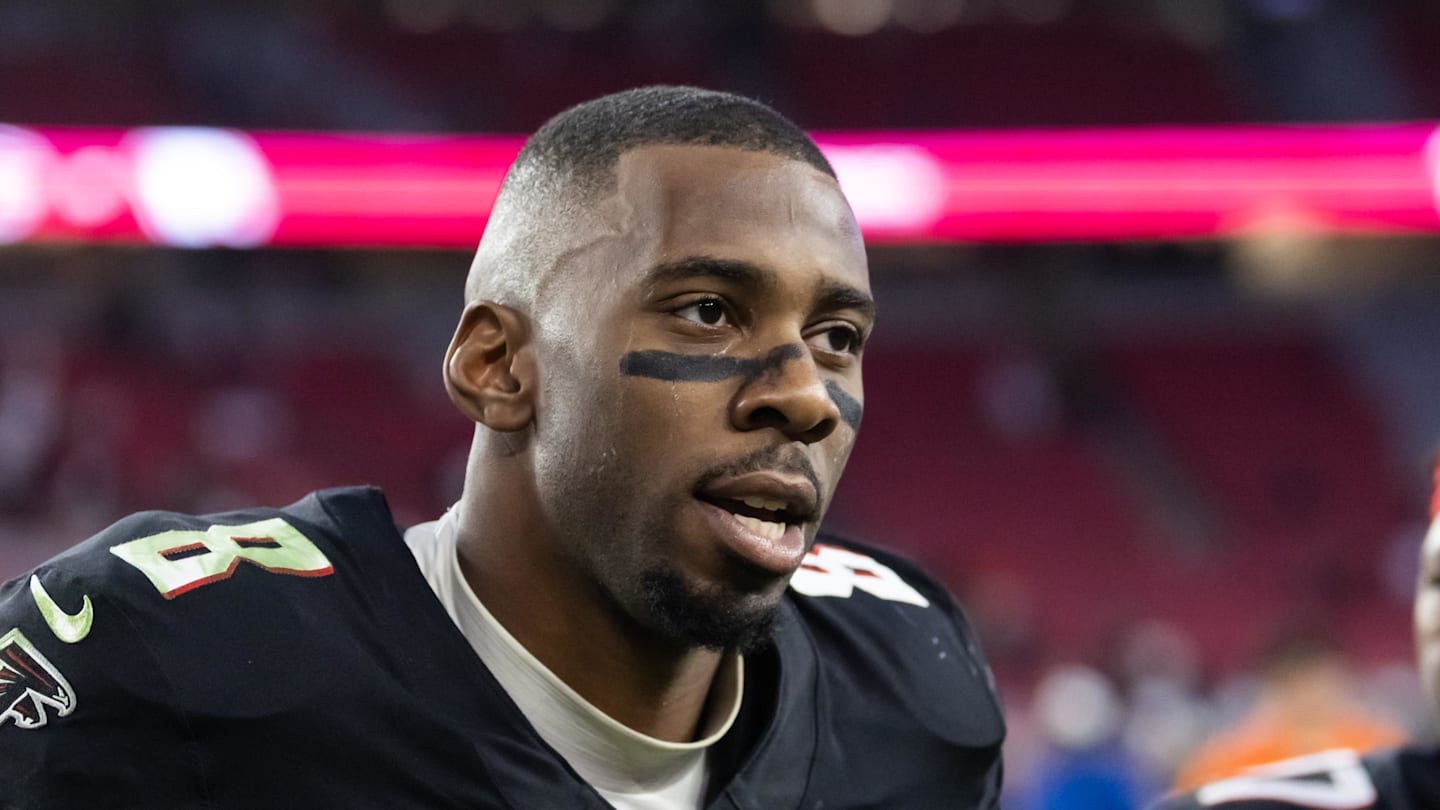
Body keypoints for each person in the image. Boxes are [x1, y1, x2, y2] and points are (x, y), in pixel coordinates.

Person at [0, 86, 1005, 808]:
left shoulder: (907, 684)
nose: (805, 397)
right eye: (707, 312)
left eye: (838, 339)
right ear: (499, 365)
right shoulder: (163, 665)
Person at [1150, 478, 1440, 810]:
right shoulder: (1227, 763)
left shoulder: (1381, 749)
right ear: (1278, 684)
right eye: (1436, 580)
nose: (1317, 693)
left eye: (1325, 679)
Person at [1170, 628, 1404, 792]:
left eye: (1320, 681)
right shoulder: (1228, 762)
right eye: (1299, 684)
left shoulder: (1379, 750)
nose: (1312, 696)